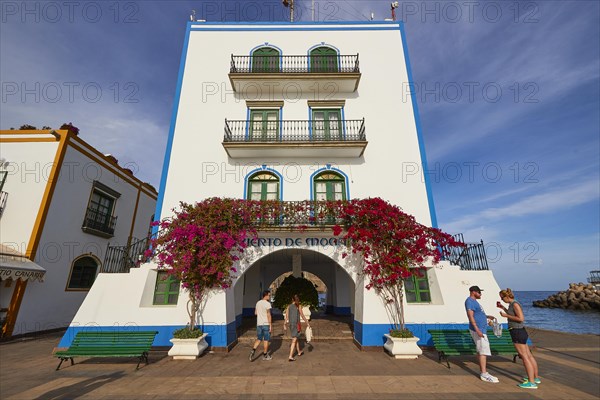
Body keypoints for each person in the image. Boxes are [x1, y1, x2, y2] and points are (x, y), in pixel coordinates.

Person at [499, 288, 541, 389]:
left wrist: (506, 315)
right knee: (528, 356)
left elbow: (521, 318)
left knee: (524, 357)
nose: (501, 299)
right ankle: (535, 378)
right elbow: (513, 314)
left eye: (502, 298)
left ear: (506, 296)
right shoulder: (512, 304)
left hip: (517, 331)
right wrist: (503, 308)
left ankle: (531, 383)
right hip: (520, 331)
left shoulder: (515, 304)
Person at [465, 285, 499, 383]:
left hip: (481, 329)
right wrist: (477, 329)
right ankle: (484, 374)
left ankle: (483, 372)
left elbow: (477, 314)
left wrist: (487, 316)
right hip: (479, 330)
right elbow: (470, 316)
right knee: (483, 351)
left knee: (481, 350)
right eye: (479, 292)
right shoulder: (470, 301)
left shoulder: (474, 302)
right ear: (473, 292)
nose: (481, 294)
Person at [285, 294, 311, 361]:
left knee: (296, 338)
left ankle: (299, 351)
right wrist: (307, 323)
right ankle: (290, 356)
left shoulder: (288, 306)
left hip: (291, 325)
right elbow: (302, 315)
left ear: (292, 299)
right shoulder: (299, 306)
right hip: (297, 325)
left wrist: (284, 324)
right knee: (294, 339)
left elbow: (286, 316)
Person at [249, 290, 272, 361]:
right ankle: (265, 355)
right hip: (265, 324)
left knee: (259, 339)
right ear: (266, 295)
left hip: (259, 324)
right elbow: (269, 315)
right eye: (269, 295)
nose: (270, 296)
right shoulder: (267, 304)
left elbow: (255, 313)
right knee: (266, 340)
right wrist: (270, 325)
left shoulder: (258, 303)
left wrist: (260, 314)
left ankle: (253, 351)